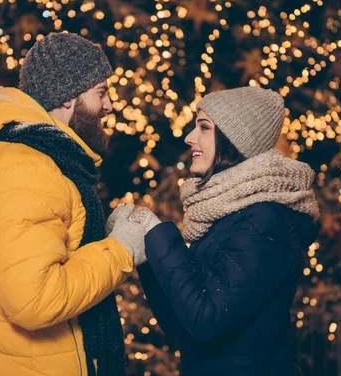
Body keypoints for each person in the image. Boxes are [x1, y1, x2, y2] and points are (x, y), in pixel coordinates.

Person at [0, 32, 148, 376]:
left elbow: (44, 250)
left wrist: (104, 237)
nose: (109, 106)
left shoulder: (42, 158)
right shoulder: (29, 166)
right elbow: (34, 300)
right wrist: (120, 252)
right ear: (68, 97)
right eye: (100, 93)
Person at [113, 87, 320, 375]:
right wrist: (146, 250)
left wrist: (157, 233)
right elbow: (179, 322)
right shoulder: (226, 215)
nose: (190, 137)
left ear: (235, 140)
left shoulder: (262, 220)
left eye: (204, 127)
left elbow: (205, 320)